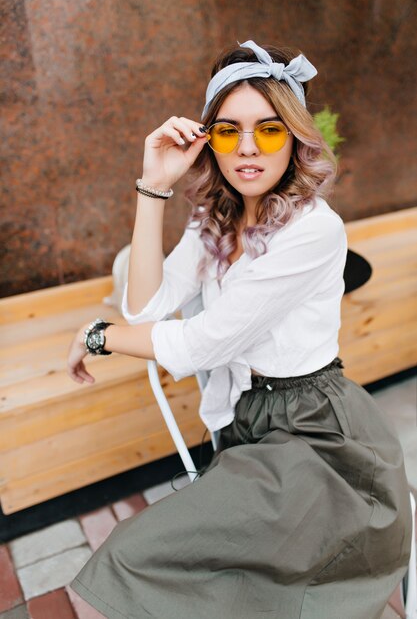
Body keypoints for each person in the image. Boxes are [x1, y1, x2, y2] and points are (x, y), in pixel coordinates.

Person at [67, 40, 412, 619]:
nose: (247, 149)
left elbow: (201, 342)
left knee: (128, 561)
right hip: (244, 421)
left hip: (318, 439)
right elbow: (148, 308)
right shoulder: (216, 217)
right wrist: (153, 187)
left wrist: (98, 336)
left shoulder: (313, 231)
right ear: (209, 138)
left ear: (295, 136)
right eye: (228, 131)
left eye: (269, 130)